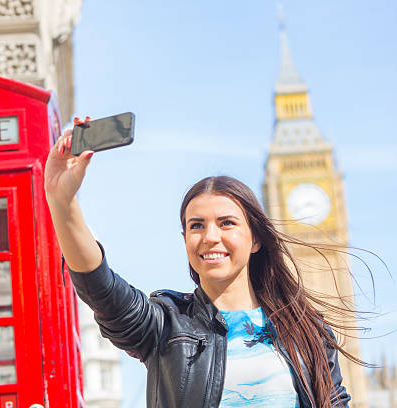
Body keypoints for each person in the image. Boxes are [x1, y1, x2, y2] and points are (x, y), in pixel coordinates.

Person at [44, 123, 355, 408]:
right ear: (185, 240)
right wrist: (62, 201)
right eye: (196, 226)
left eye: (226, 223)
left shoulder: (305, 330)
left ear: (256, 239)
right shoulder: (167, 325)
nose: (210, 237)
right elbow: (102, 289)